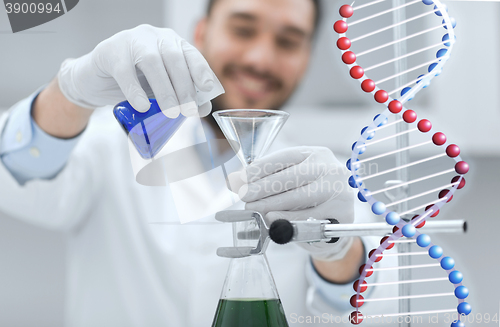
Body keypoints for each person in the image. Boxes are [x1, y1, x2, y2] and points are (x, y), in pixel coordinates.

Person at [0, 0, 394, 326]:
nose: (260, 58)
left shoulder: (327, 181)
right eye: (243, 29)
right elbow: (16, 174)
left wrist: (339, 250)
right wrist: (71, 93)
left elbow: (371, 308)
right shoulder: (110, 145)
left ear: (306, 57)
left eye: (288, 42)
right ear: (201, 33)